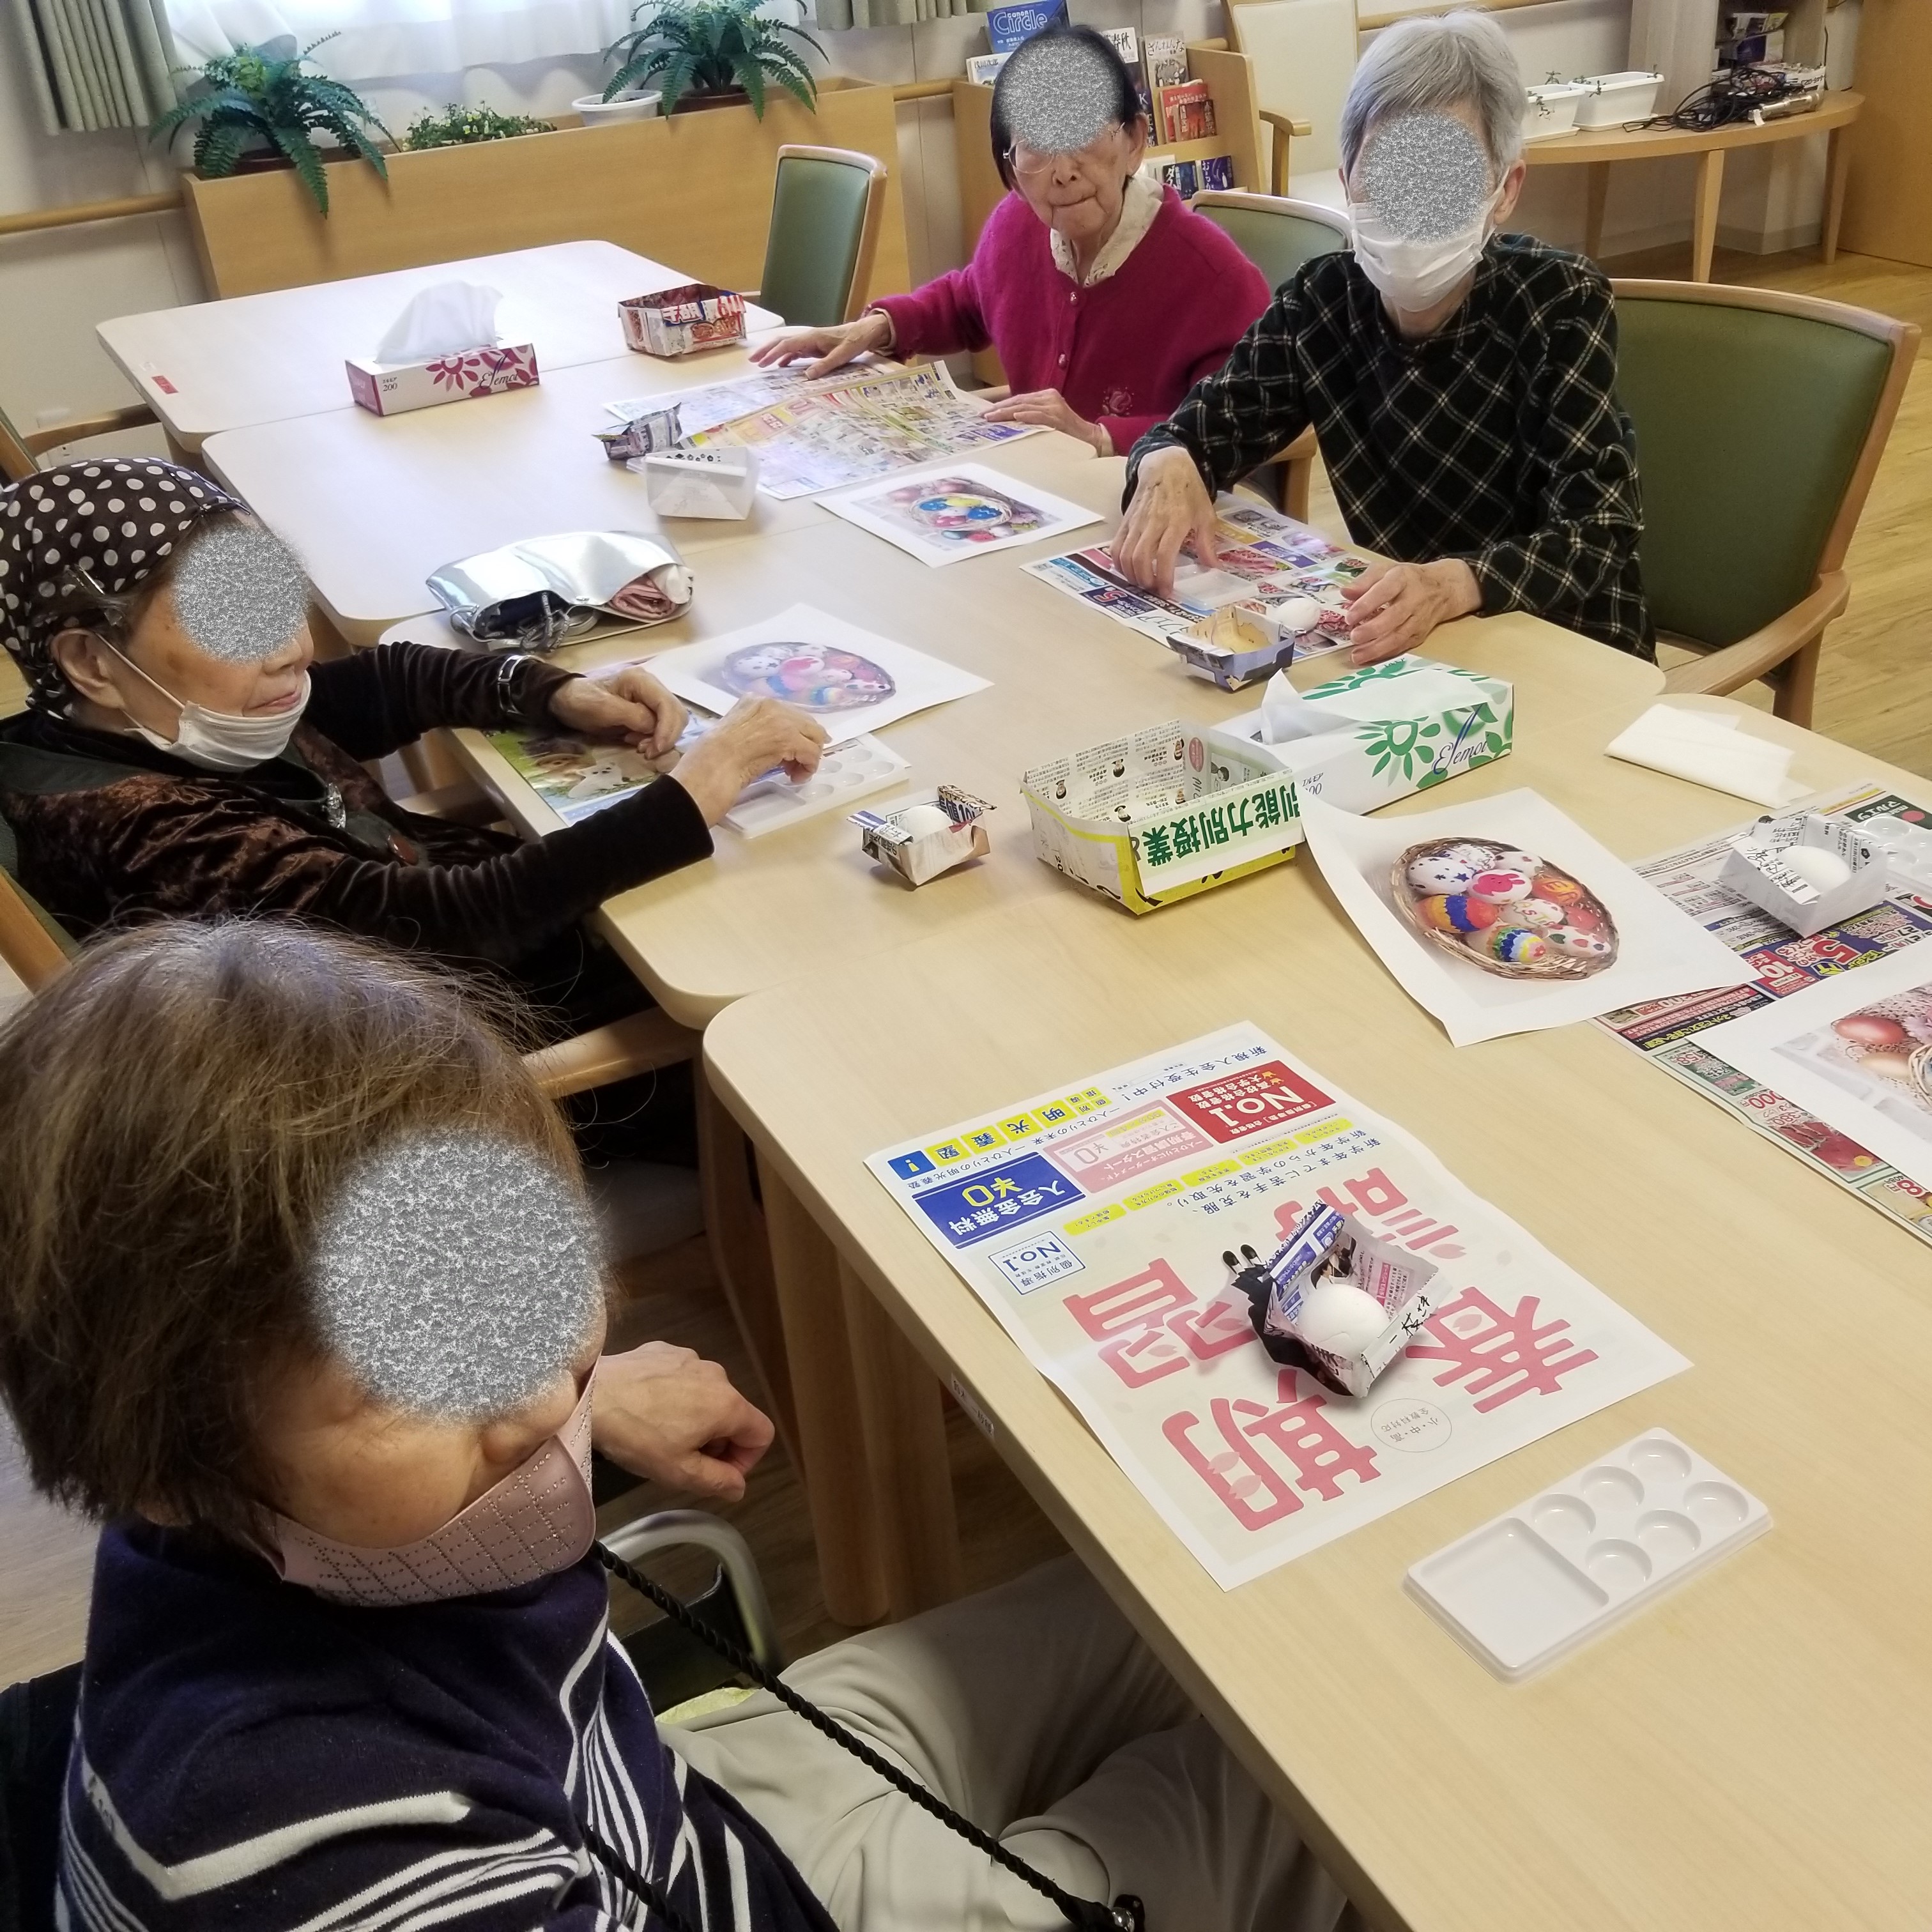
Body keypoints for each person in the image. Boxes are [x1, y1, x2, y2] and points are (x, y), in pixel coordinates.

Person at [0, 919, 1355, 1932]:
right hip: (661, 1860)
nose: (541, 1390)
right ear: (166, 1460)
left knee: (1214, 1622)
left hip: (679, 1816)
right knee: (1321, 1773)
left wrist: (592, 1410)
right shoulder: (333, 1862)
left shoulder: (222, 1511)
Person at [0, 457, 825, 1152]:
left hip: (487, 987)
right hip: (461, 1083)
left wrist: (554, 692)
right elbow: (448, 926)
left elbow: (390, 678)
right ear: (92, 663)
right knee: (819, 1030)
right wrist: (695, 790)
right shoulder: (138, 829)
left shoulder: (164, 716)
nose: (293, 649)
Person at [1113, 10, 1650, 666]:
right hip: (1419, 653)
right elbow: (1203, 429)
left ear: (1504, 188)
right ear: (1347, 181)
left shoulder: (1559, 301)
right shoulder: (1324, 300)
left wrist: (1457, 583)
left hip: (1567, 649)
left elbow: (1599, 530)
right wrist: (1170, 457)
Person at [751, 26, 1271, 459]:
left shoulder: (1214, 276)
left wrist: (1098, 436)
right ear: (1011, 172)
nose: (1063, 172)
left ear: (1134, 140)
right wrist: (876, 328)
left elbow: (1238, 422)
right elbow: (968, 301)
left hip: (1150, 505)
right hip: (1037, 490)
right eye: (1036, 149)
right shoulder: (1015, 226)